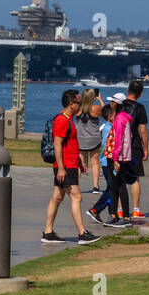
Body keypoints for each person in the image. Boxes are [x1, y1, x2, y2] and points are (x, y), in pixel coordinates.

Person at [42, 89, 101, 244]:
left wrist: (80, 162)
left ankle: (48, 232)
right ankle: (82, 233)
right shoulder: (62, 120)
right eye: (78, 103)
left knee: (57, 197)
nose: (80, 106)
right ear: (71, 104)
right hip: (65, 166)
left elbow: (71, 144)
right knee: (77, 197)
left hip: (70, 164)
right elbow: (57, 144)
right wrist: (61, 168)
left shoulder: (69, 119)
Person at [87, 97, 119, 224]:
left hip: (106, 162)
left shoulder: (107, 126)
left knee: (112, 188)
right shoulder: (109, 128)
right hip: (108, 162)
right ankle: (96, 209)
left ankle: (112, 213)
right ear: (110, 116)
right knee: (111, 189)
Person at [106, 91, 136, 224]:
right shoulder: (124, 117)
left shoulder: (119, 119)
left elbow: (118, 140)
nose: (110, 104)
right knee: (114, 185)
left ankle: (125, 217)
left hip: (115, 156)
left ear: (116, 104)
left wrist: (115, 159)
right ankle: (114, 214)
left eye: (112, 102)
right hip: (117, 155)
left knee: (119, 185)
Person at [123, 79, 148, 221]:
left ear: (127, 89)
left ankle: (120, 209)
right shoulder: (140, 108)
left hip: (120, 146)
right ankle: (136, 209)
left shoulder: (119, 105)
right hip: (134, 146)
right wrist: (145, 148)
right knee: (134, 178)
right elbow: (143, 130)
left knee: (120, 179)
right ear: (141, 94)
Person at [77, 89, 104, 193]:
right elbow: (106, 112)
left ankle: (76, 185)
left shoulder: (78, 109)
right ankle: (96, 187)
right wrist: (100, 99)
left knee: (80, 163)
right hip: (94, 139)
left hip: (81, 139)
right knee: (95, 163)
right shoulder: (96, 108)